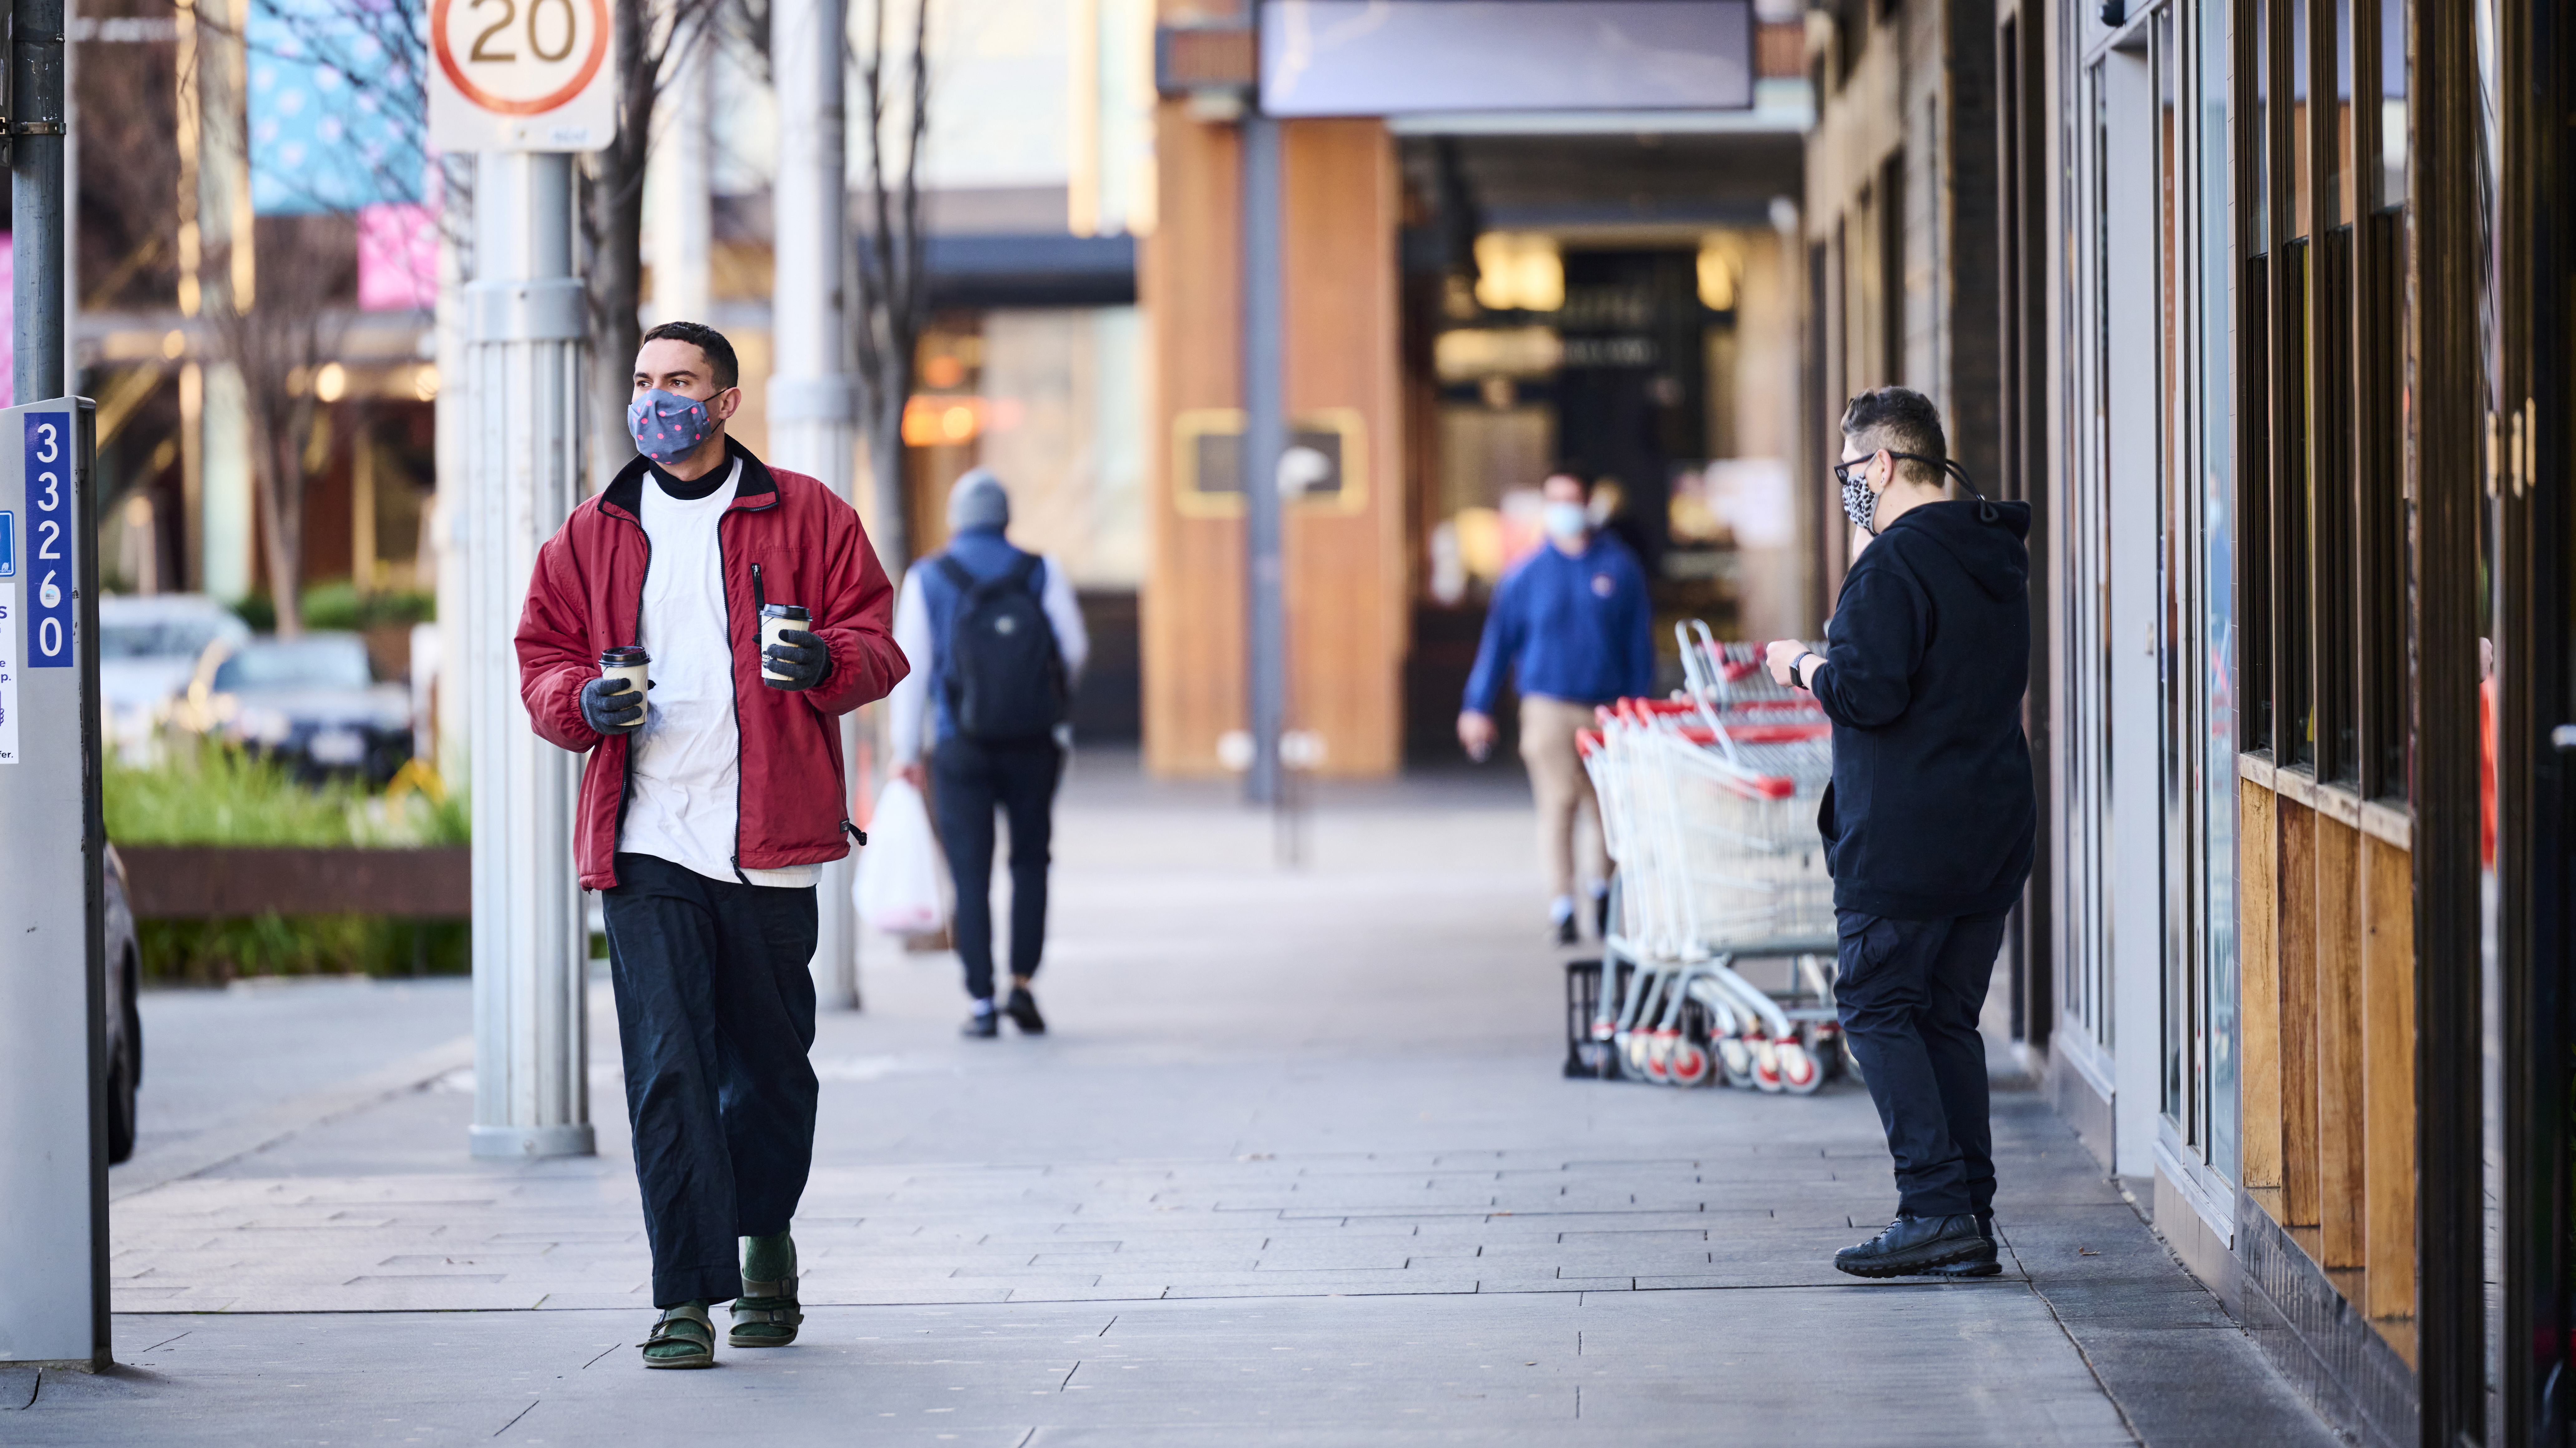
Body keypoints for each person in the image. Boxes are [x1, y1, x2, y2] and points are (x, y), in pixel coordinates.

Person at [515, 321, 907, 1368]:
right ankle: (683, 1296)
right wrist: (581, 700)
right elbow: (541, 659)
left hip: (774, 841)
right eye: (645, 382)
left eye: (679, 382)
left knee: (772, 1073)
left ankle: (765, 1241)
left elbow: (877, 643)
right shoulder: (592, 532)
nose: (656, 400)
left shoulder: (809, 516)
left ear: (726, 402)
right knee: (667, 1069)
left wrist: (826, 659)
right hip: (645, 842)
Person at [1764, 387, 2035, 1279]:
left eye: (1850, 472)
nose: (1848, 489)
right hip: (1989, 829)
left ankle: (1933, 1206)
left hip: (1906, 838)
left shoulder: (1892, 566)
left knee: (1879, 1011)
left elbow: (1867, 692)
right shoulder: (1991, 551)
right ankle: (1967, 1216)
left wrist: (1805, 663)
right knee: (1948, 1020)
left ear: (1882, 464)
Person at [888, 469, 1090, 1038]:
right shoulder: (1039, 569)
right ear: (1005, 516)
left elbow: (912, 670)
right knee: (1030, 862)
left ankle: (981, 1001)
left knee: (970, 875)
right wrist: (1046, 701)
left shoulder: (929, 575)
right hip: (1033, 742)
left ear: (957, 519)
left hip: (959, 747)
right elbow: (1073, 648)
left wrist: (907, 749)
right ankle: (1023, 986)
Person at [1457, 469, 1654, 944]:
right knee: (1557, 802)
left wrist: (1640, 706)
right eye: (1555, 499)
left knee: (1605, 807)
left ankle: (1600, 888)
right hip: (1546, 704)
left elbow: (1638, 645)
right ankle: (1563, 904)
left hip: (1607, 706)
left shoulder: (1619, 568)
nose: (1564, 507)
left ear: (1589, 503)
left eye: (1572, 498)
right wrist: (1476, 706)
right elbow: (1497, 645)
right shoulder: (1524, 575)